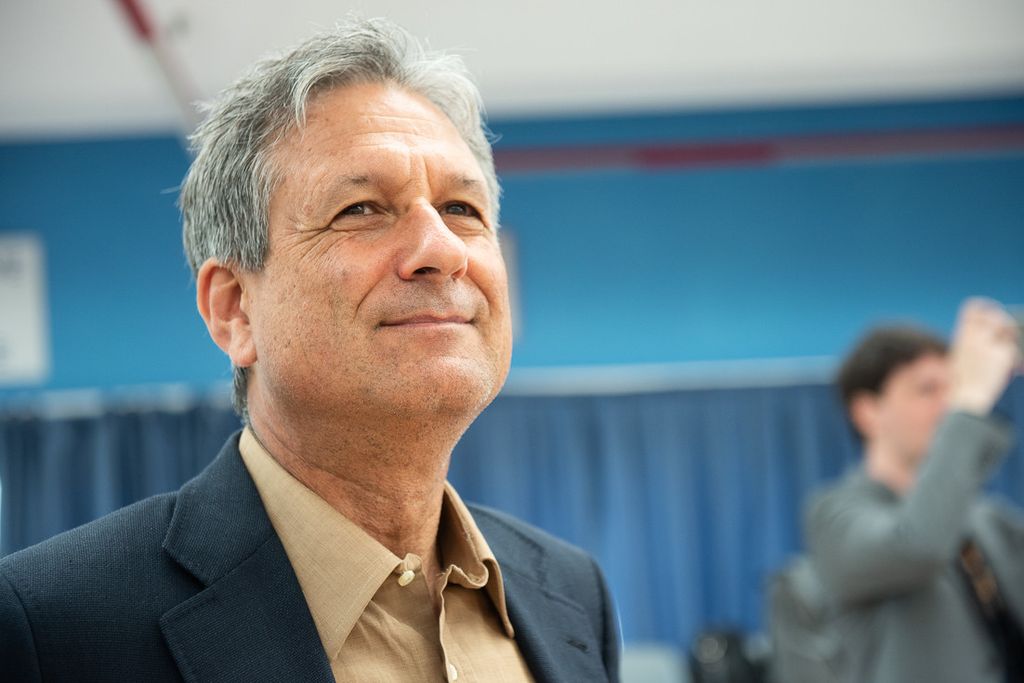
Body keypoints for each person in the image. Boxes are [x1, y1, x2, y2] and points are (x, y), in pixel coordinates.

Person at [0, 19, 620, 682]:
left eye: (462, 209)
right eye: (361, 209)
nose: (442, 249)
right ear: (235, 308)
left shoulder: (571, 593)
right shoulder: (50, 626)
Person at [803, 300, 1024, 683]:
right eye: (927, 390)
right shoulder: (835, 514)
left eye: (951, 388)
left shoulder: (989, 519)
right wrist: (971, 400)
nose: (947, 404)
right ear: (868, 411)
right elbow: (918, 544)